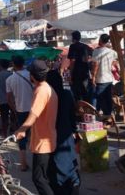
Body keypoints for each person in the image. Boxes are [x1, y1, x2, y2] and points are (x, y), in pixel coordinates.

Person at [15, 60, 58, 195]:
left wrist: (22, 129)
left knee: (39, 178)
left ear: (32, 76)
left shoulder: (41, 90)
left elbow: (33, 114)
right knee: (46, 178)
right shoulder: (48, 88)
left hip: (43, 143)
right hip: (48, 138)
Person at [46, 70, 80, 195]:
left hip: (53, 136)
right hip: (66, 135)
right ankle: (73, 186)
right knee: (69, 163)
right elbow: (73, 115)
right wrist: (75, 132)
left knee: (56, 166)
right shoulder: (67, 94)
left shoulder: (48, 97)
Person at [6, 56, 32, 171]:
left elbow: (9, 98)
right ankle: (39, 162)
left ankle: (23, 163)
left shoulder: (10, 79)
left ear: (13, 64)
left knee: (22, 135)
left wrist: (15, 109)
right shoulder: (31, 75)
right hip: (34, 109)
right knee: (36, 135)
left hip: (20, 110)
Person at [91, 34, 118, 116]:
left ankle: (105, 115)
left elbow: (95, 65)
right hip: (109, 78)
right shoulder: (113, 52)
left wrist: (93, 77)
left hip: (101, 79)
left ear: (100, 40)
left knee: (98, 97)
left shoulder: (96, 51)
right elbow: (114, 63)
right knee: (107, 98)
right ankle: (108, 115)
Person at [68, 31, 94, 103]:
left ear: (73, 38)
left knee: (76, 95)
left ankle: (79, 111)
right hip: (85, 73)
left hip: (76, 73)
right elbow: (92, 57)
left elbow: (72, 61)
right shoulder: (86, 46)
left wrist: (70, 75)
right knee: (86, 93)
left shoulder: (72, 46)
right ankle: (88, 110)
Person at [0, 59, 14, 137]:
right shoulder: (12, 75)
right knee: (13, 117)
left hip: (2, 100)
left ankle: (5, 134)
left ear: (1, 66)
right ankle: (13, 133)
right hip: (12, 100)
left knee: (4, 118)